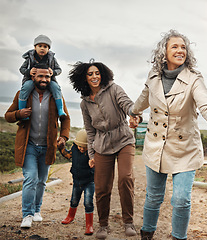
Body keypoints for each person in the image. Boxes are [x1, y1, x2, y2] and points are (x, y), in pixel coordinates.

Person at [130, 29, 207, 240]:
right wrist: (133, 112)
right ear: (164, 51)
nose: (180, 50)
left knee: (181, 199)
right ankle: (147, 234)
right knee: (153, 197)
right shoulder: (153, 76)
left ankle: (179, 237)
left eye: (183, 47)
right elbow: (143, 99)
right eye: (175, 46)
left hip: (184, 149)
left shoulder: (194, 78)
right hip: (156, 147)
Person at [68, 59, 137, 239]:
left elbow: (127, 104)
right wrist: (91, 154)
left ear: (103, 74)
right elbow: (90, 131)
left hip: (123, 139)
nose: (94, 76)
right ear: (84, 78)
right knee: (101, 187)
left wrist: (133, 114)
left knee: (125, 178)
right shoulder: (84, 103)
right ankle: (103, 225)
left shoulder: (114, 89)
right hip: (102, 145)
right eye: (90, 74)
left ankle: (128, 222)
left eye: (97, 73)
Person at [5, 62, 70, 228]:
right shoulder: (23, 94)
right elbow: (8, 116)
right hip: (29, 146)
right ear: (33, 76)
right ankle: (26, 214)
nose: (44, 79)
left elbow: (66, 119)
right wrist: (19, 113)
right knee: (31, 178)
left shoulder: (56, 97)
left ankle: (36, 211)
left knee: (41, 181)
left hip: (48, 147)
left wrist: (63, 136)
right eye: (40, 76)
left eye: (47, 76)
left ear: (51, 77)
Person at [19, 34, 66, 119]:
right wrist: (29, 72)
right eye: (40, 46)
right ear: (35, 47)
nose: (42, 48)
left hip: (48, 80)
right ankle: (22, 109)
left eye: (45, 46)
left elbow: (59, 70)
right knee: (26, 87)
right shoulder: (29, 58)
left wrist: (53, 72)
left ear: (48, 49)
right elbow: (21, 69)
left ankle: (60, 109)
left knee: (56, 87)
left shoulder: (52, 58)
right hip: (31, 79)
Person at [58, 129, 94, 235]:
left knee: (88, 202)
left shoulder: (92, 154)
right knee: (74, 200)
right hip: (77, 181)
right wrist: (61, 148)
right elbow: (68, 155)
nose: (82, 149)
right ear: (76, 144)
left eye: (85, 147)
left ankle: (89, 224)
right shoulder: (74, 148)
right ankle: (70, 216)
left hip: (89, 181)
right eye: (80, 146)